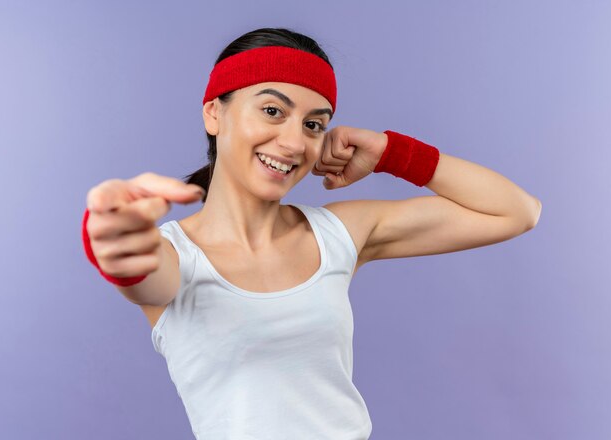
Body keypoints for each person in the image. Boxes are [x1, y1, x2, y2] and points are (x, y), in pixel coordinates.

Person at [82, 27, 541, 439]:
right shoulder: (172, 255)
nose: (295, 142)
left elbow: (516, 211)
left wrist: (390, 153)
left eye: (314, 124)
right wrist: (113, 238)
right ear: (213, 114)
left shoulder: (340, 232)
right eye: (271, 110)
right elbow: (140, 270)